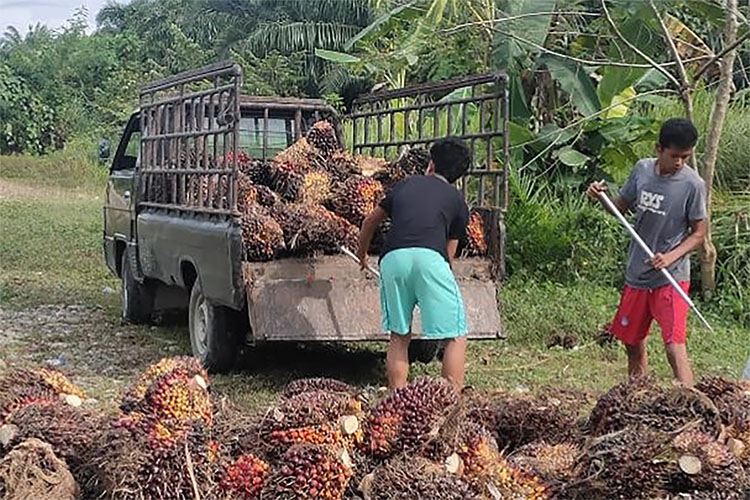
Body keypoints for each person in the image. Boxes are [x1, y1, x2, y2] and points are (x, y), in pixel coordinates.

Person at [587, 118, 707, 386]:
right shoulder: (642, 170)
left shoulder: (693, 185)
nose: (679, 163)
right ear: (658, 149)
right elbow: (621, 207)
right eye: (674, 156)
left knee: (674, 346)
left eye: (685, 157)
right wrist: (602, 197)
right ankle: (638, 397)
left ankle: (692, 405)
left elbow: (699, 234)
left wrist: (671, 256)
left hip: (671, 277)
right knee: (631, 341)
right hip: (638, 272)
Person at [357, 138, 471, 390]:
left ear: (430, 164)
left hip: (392, 259)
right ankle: (451, 400)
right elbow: (448, 255)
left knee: (399, 335)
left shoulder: (405, 185)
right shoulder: (456, 200)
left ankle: (397, 400)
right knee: (454, 335)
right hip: (431, 258)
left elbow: (370, 222)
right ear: (459, 175)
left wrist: (362, 255)